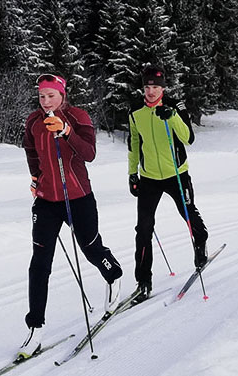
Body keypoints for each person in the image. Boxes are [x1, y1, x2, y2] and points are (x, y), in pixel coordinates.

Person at [16, 73, 123, 360]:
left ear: (63, 95)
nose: (46, 100)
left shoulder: (78, 117)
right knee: (39, 264)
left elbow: (89, 154)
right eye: (41, 96)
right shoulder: (33, 122)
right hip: (47, 201)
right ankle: (35, 328)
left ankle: (113, 275)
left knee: (90, 247)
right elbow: (30, 150)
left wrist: (66, 131)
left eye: (51, 95)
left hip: (77, 197)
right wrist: (35, 176)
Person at [128, 64, 209, 299]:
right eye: (147, 86)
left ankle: (200, 240)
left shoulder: (175, 106)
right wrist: (133, 173)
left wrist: (172, 117)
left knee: (188, 213)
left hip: (177, 174)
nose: (150, 91)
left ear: (163, 88)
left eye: (155, 87)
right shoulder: (135, 110)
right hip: (149, 177)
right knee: (143, 229)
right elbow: (134, 144)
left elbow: (188, 138)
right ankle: (143, 280)